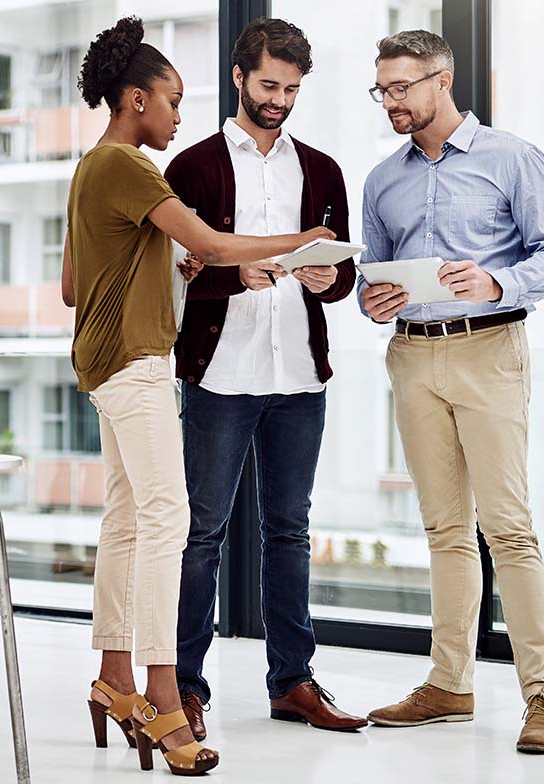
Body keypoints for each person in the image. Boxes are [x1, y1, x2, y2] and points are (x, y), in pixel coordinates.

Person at [65, 15, 334, 775]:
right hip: (139, 363)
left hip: (104, 363)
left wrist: (160, 267)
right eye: (170, 99)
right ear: (132, 99)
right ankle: (164, 697)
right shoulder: (132, 169)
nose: (180, 115)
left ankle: (114, 678)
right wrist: (299, 243)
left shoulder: (91, 168)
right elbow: (214, 245)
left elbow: (72, 286)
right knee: (169, 522)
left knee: (126, 521)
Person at [358, 29, 544, 754]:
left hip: (490, 351)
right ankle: (449, 683)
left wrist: (498, 281)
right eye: (381, 89)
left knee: (508, 529)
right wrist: (373, 303)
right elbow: (374, 278)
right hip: (412, 357)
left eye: (401, 87)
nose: (390, 101)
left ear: (442, 79)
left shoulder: (511, 158)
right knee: (443, 531)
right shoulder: (382, 180)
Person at [164, 17, 366, 739]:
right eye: (270, 84)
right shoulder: (190, 167)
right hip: (219, 374)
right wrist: (231, 275)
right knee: (200, 535)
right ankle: (184, 688)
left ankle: (293, 682)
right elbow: (174, 275)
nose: (280, 99)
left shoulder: (321, 168)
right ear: (240, 77)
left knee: (290, 531)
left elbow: (342, 276)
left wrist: (325, 277)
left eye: (292, 88)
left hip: (299, 376)